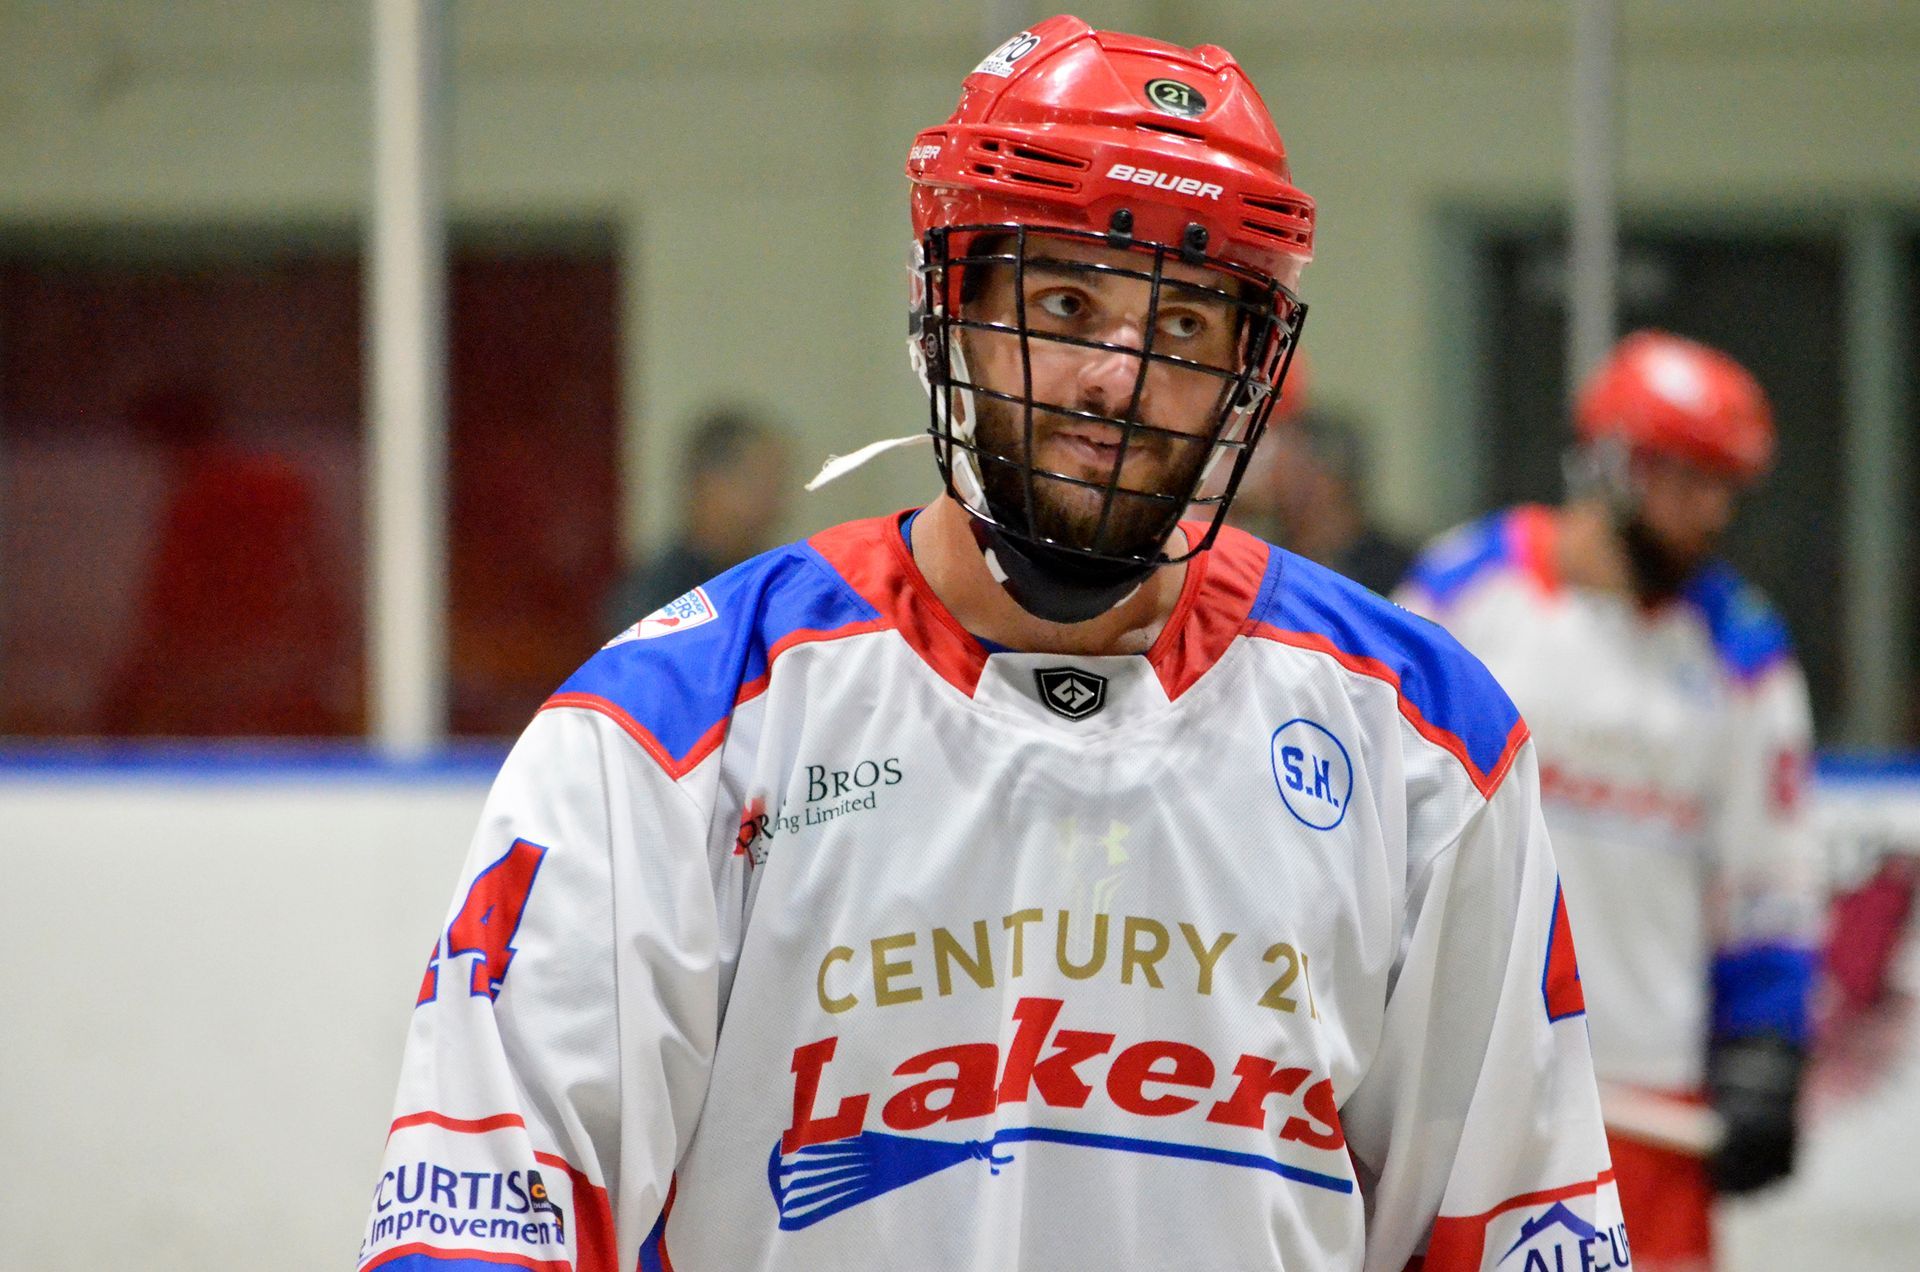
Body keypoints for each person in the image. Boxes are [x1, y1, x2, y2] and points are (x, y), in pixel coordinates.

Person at [359, 17, 1622, 1271]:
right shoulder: (679, 723)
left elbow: (1520, 1222)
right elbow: (485, 1218)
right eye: (1067, 303)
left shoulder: (1420, 743)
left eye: (1186, 326)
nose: (1118, 380)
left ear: (1250, 370)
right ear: (948, 311)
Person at [1397, 330, 1823, 1272]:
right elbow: (1386, 817)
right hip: (1465, 1078)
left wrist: (1767, 1046)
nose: (1713, 512)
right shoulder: (1468, 588)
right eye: (1689, 480)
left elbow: (1771, 876)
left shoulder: (1742, 647)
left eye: (1725, 487)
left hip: (1649, 1095)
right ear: (1616, 463)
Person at [601, 406, 793, 629]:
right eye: (758, 485)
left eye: (777, 487)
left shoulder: (775, 584)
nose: (775, 506)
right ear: (707, 485)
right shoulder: (655, 599)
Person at [1230, 404, 1417, 595]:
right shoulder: (1263, 564)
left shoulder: (1406, 573)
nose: (1269, 481)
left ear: (1327, 479)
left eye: (1285, 468)